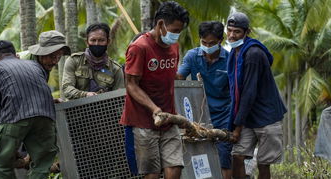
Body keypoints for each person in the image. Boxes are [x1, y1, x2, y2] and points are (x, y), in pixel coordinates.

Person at [0, 37, 70, 178]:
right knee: (42, 163)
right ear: (15, 55)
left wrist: (4, 140)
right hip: (46, 116)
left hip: (15, 116)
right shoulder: (35, 66)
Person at [119, 1, 189, 179]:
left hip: (169, 119)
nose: (176, 35)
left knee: (175, 167)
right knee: (151, 173)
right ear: (160, 25)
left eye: (179, 31)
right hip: (143, 121)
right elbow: (131, 85)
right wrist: (154, 109)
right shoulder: (139, 47)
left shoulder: (174, 47)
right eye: (174, 30)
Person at [225, 12, 287, 179]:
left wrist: (237, 128)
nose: (231, 35)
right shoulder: (234, 52)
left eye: (236, 31)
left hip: (266, 116)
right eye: (229, 30)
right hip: (248, 116)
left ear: (247, 32)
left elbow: (249, 93)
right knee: (237, 155)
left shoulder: (253, 54)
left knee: (263, 163)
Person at [176, 21, 232, 179]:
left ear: (220, 41)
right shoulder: (192, 56)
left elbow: (235, 91)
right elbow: (179, 77)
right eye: (204, 42)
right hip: (199, 116)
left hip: (223, 116)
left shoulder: (229, 59)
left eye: (212, 43)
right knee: (200, 157)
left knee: (223, 158)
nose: (207, 46)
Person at [62, 23, 124, 100]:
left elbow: (119, 98)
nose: (97, 43)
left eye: (101, 40)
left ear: (108, 42)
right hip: (75, 110)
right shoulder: (74, 61)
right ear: (87, 42)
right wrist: (85, 95)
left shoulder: (115, 69)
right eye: (93, 40)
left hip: (104, 110)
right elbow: (66, 88)